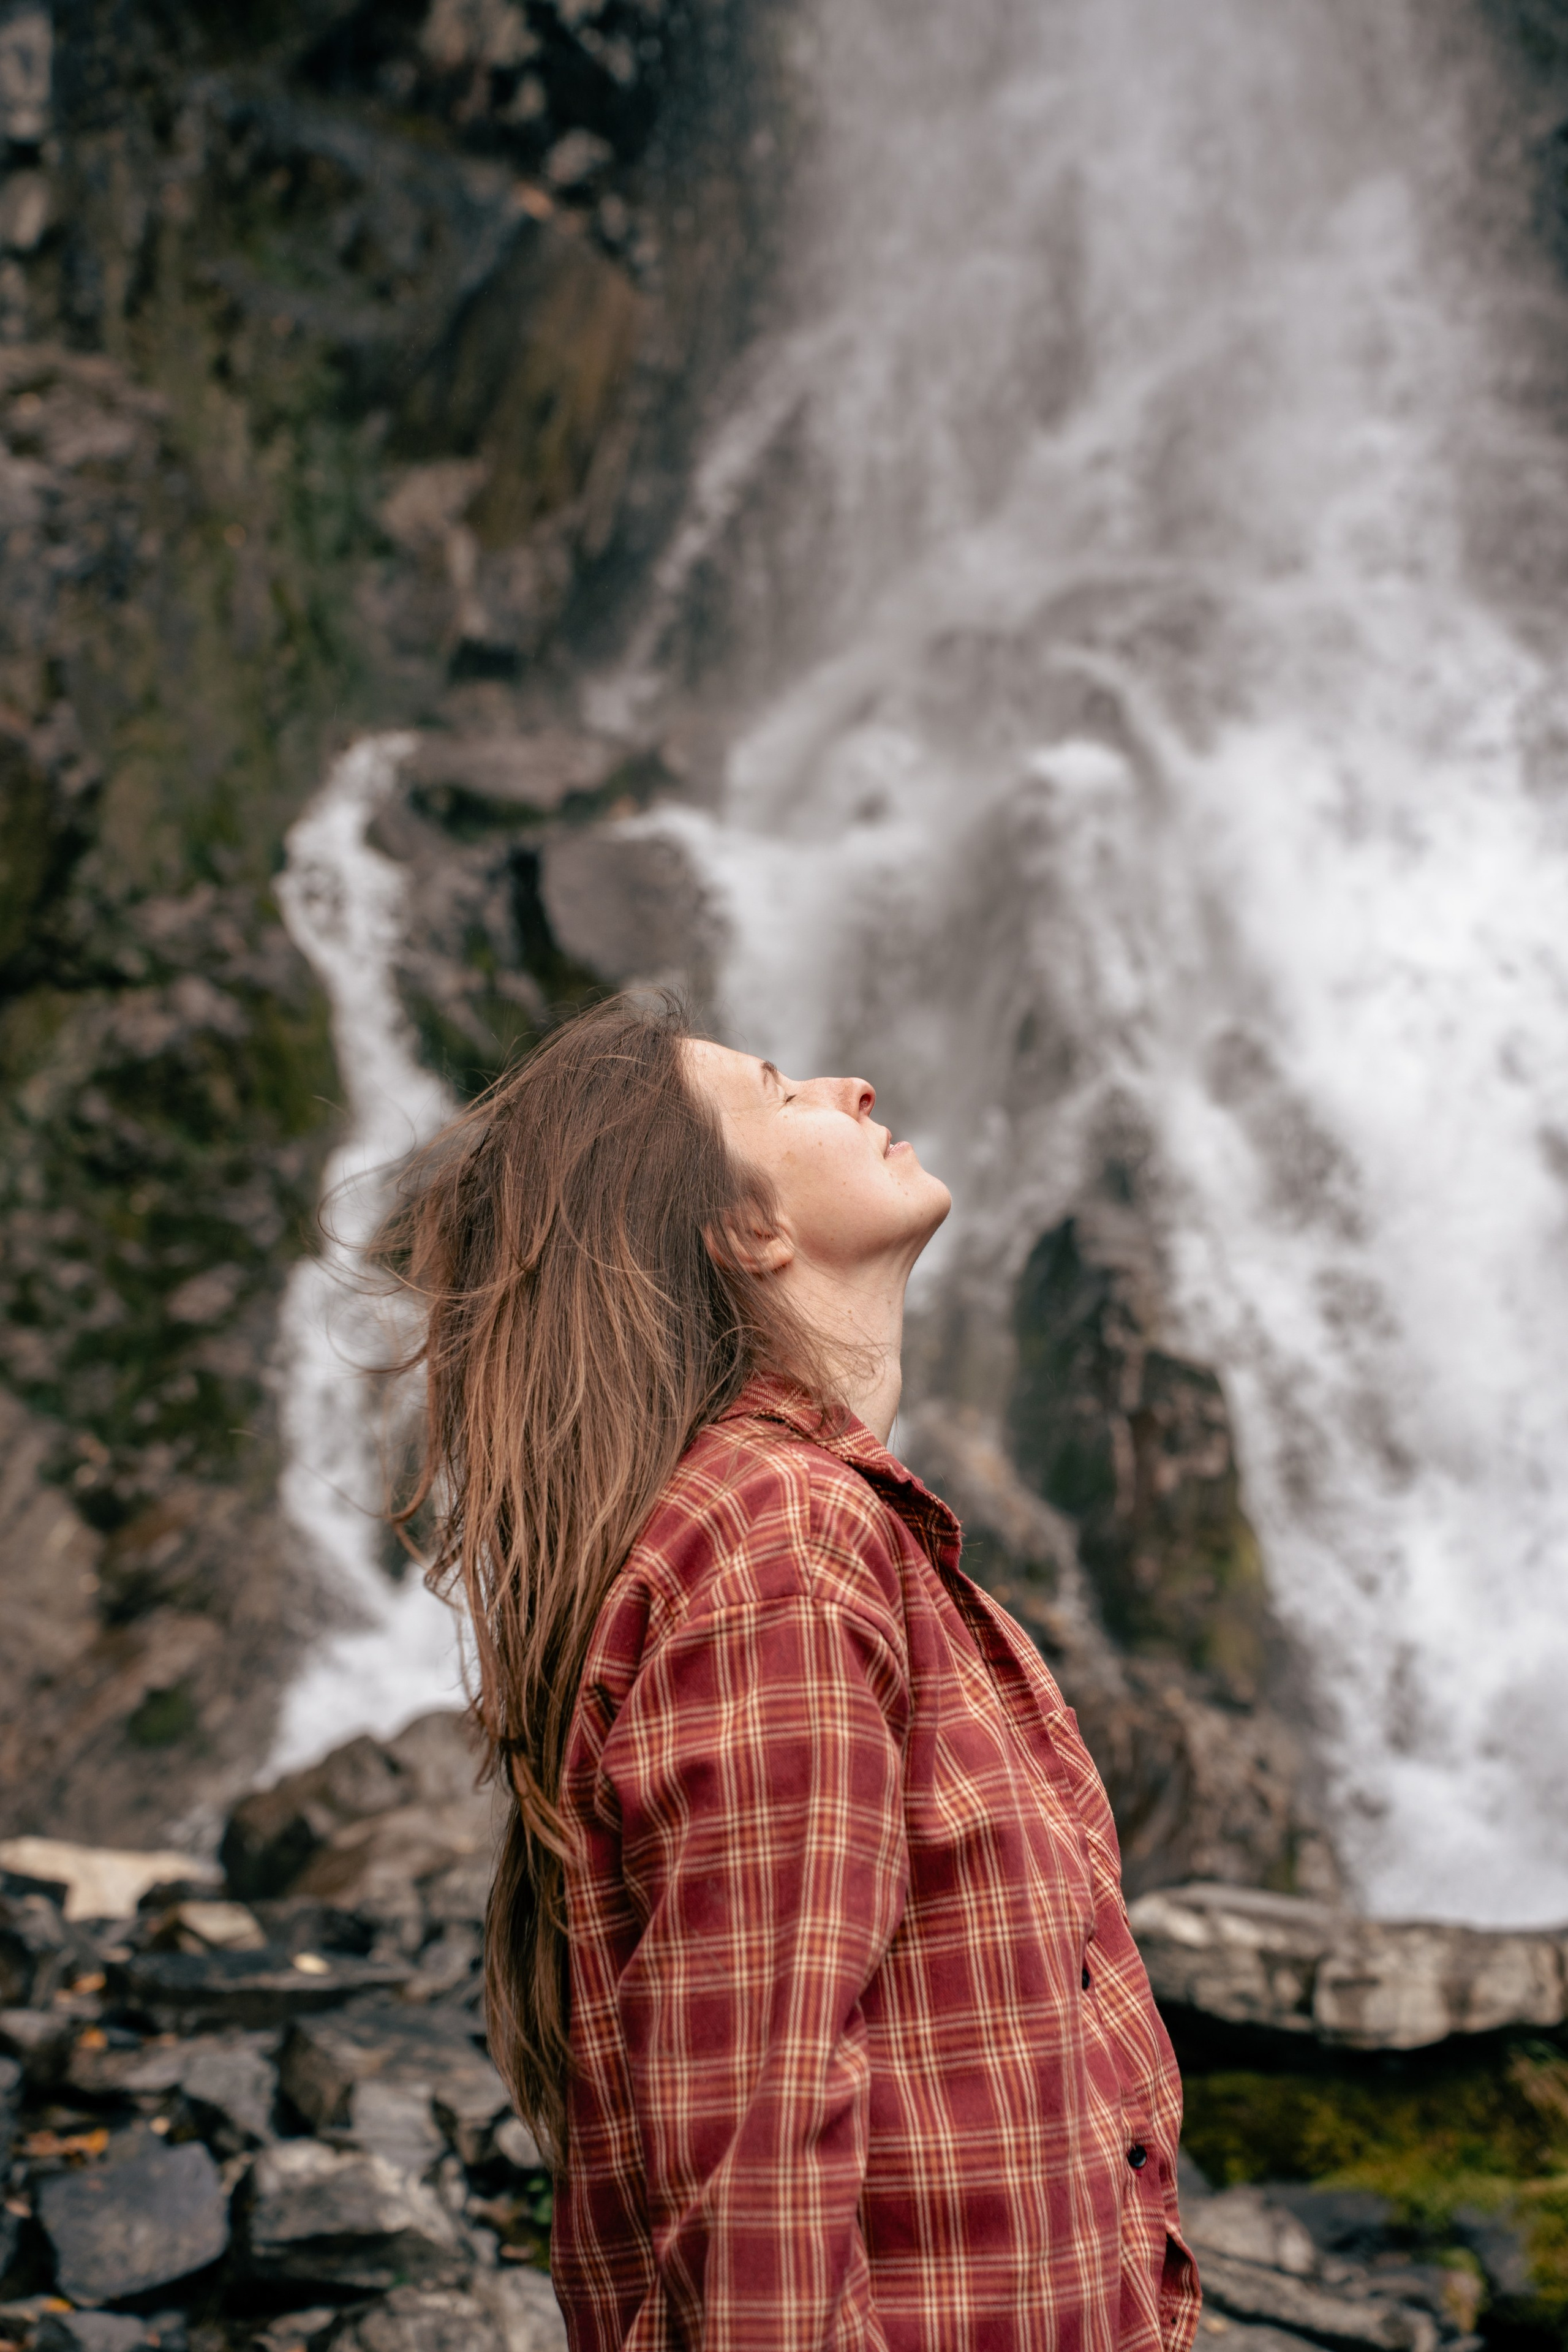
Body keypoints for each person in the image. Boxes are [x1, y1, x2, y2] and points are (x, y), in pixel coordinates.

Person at [379, 990, 1199, 2352]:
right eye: (778, 1092)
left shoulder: (796, 1524)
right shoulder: (785, 1540)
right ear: (744, 1229)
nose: (851, 1085)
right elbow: (759, 2173)